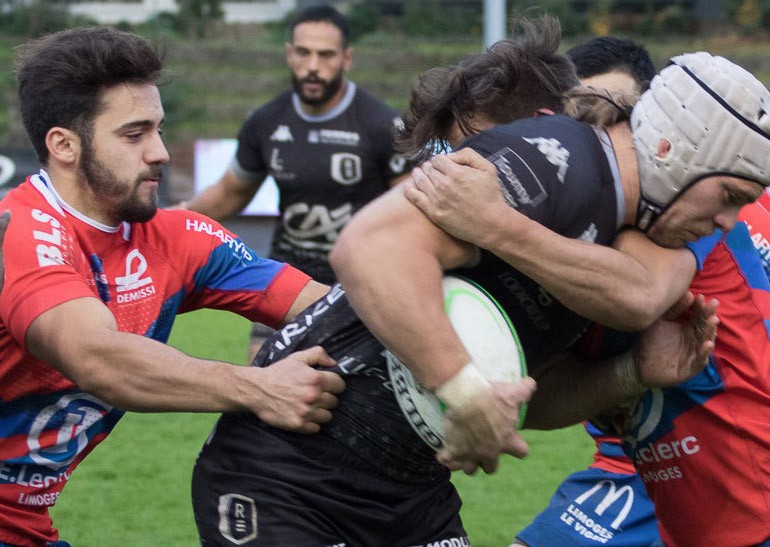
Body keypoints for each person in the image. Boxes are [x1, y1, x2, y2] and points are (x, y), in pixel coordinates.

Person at [190, 18, 740, 546]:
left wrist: (502, 229)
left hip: (410, 494)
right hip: (291, 479)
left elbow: (627, 305)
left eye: (479, 151)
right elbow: (376, 254)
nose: (460, 172)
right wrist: (473, 392)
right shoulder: (536, 205)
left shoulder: (652, 210)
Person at [404, 51, 770, 547]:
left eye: (497, 159)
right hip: (687, 506)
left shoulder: (677, 219)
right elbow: (538, 398)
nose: (487, 175)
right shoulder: (572, 250)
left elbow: (640, 295)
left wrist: (494, 224)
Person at [0, 26, 347, 547]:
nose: (160, 152)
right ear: (64, 145)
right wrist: (258, 388)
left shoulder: (179, 238)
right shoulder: (20, 231)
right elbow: (97, 358)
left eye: (159, 130)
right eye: (134, 135)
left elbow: (333, 312)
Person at [181, 5, 413, 359]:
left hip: (358, 275)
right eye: (303, 53)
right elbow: (229, 195)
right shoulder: (266, 122)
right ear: (289, 54)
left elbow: (411, 205)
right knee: (263, 368)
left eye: (326, 55)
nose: (313, 66)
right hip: (289, 272)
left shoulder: (381, 124)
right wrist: (167, 221)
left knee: (338, 383)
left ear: (347, 58)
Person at [514, 36, 662, 547]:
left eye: (619, 115)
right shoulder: (557, 221)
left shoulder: (696, 212)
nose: (603, 133)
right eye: (583, 118)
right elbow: (535, 399)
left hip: (711, 466)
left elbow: (644, 296)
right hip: (630, 465)